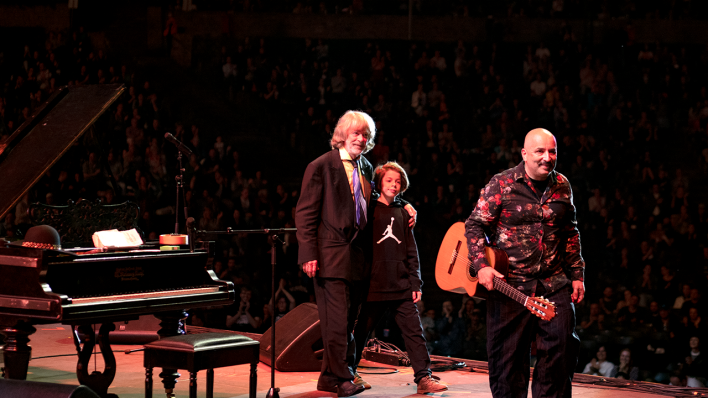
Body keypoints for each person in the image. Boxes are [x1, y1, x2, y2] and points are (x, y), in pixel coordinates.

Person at [295, 110, 415, 397]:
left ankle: (327, 378)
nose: (361, 139)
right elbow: (305, 212)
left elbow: (376, 201)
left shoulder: (364, 168)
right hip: (329, 258)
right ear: (343, 134)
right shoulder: (321, 165)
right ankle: (343, 377)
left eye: (366, 135)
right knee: (336, 323)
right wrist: (308, 253)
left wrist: (404, 204)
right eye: (356, 133)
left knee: (347, 321)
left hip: (358, 260)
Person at [464, 128, 585, 398]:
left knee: (561, 353)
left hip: (554, 283)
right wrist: (481, 264)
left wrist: (577, 274)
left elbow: (570, 232)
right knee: (507, 365)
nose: (547, 157)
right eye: (540, 151)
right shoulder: (502, 183)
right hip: (511, 287)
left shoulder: (562, 185)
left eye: (552, 151)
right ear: (525, 154)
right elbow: (474, 225)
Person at [352, 162, 447, 394]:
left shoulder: (404, 214)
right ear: (379, 183)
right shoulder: (368, 210)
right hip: (374, 285)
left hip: (401, 285)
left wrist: (416, 282)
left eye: (397, 182)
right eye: (389, 180)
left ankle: (424, 378)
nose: (394, 185)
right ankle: (348, 373)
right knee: (360, 332)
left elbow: (411, 252)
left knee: (414, 333)